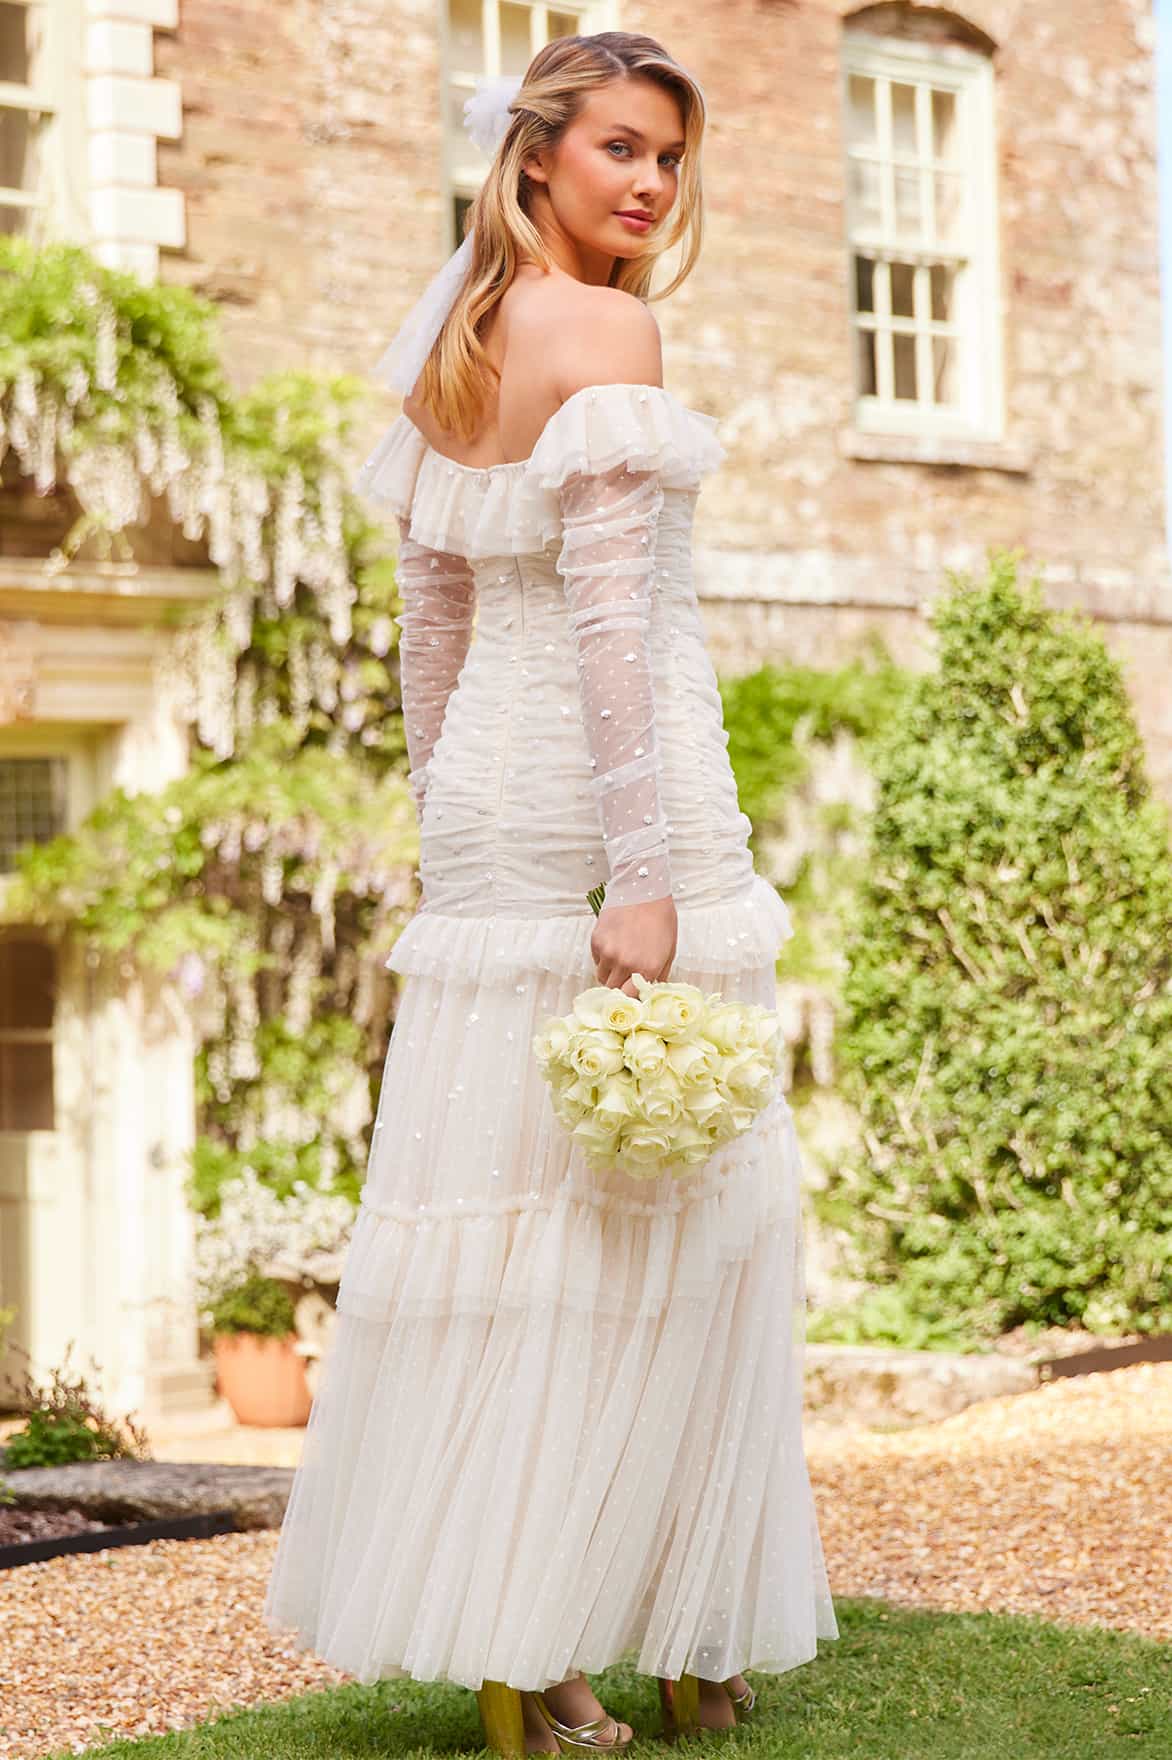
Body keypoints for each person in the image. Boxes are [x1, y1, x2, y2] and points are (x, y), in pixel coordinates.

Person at [263, 28, 839, 1754]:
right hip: (627, 788)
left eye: (670, 155)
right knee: (676, 1215)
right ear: (535, 159)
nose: (651, 183)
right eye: (620, 150)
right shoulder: (605, 329)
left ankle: (545, 1643)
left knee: (514, 1221)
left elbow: (430, 623)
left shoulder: (466, 332)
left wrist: (452, 828)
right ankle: (667, 1630)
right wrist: (642, 876)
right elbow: (609, 621)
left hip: (492, 810)